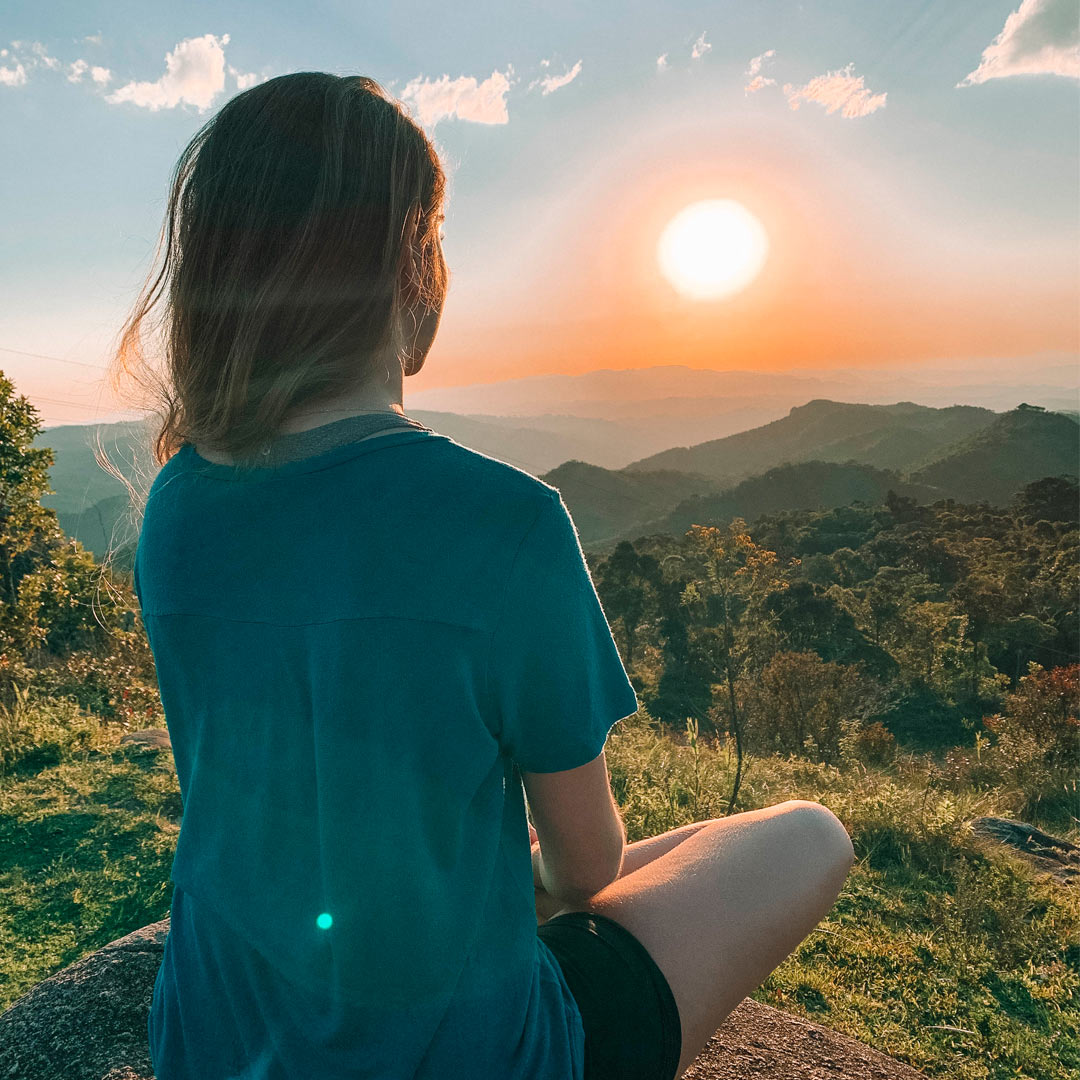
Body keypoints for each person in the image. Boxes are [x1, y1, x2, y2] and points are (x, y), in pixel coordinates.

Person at [120, 72, 855, 1080]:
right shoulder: (506, 525)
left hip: (213, 1040)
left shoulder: (177, 508)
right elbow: (589, 868)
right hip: (471, 1054)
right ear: (414, 273)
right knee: (807, 833)